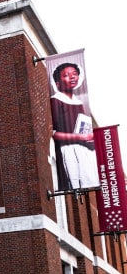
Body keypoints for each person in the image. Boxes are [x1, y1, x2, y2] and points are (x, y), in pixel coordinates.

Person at [50, 62, 99, 191]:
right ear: (57, 82)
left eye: (74, 74)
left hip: (85, 150)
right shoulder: (55, 100)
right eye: (66, 75)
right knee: (74, 183)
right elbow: (54, 133)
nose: (72, 77)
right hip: (69, 150)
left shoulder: (79, 102)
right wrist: (79, 137)